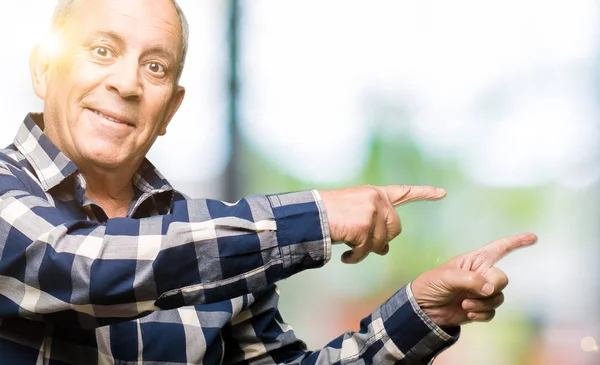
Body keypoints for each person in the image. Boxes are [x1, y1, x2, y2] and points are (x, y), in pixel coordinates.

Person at [0, 0, 538, 363]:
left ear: (170, 110)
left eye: (156, 67)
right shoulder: (8, 194)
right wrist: (316, 218)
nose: (127, 83)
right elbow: (83, 267)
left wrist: (420, 311)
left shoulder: (218, 243)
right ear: (44, 69)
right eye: (102, 51)